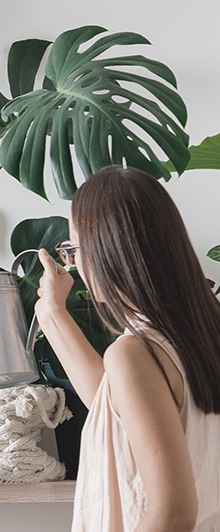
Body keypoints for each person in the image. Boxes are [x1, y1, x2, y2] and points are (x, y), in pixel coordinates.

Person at [35, 165, 220, 532]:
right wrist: (53, 314)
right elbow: (114, 406)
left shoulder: (137, 352)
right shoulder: (202, 335)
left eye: (73, 249)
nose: (76, 265)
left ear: (105, 249)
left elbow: (173, 513)